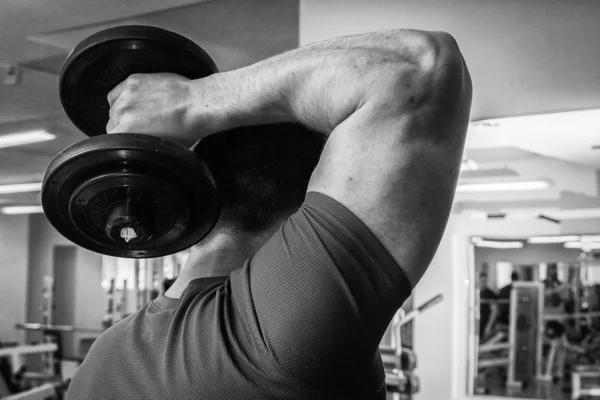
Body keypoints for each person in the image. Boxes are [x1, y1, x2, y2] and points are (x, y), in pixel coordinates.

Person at [68, 29, 472, 399]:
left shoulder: (102, 358)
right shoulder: (272, 342)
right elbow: (418, 68)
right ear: (311, 201)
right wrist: (190, 102)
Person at [478, 271, 498, 341]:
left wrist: (489, 326)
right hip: (478, 323)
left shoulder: (490, 294)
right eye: (482, 280)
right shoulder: (478, 292)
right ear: (479, 280)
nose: (483, 282)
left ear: (486, 280)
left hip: (486, 323)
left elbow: (494, 312)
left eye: (485, 280)